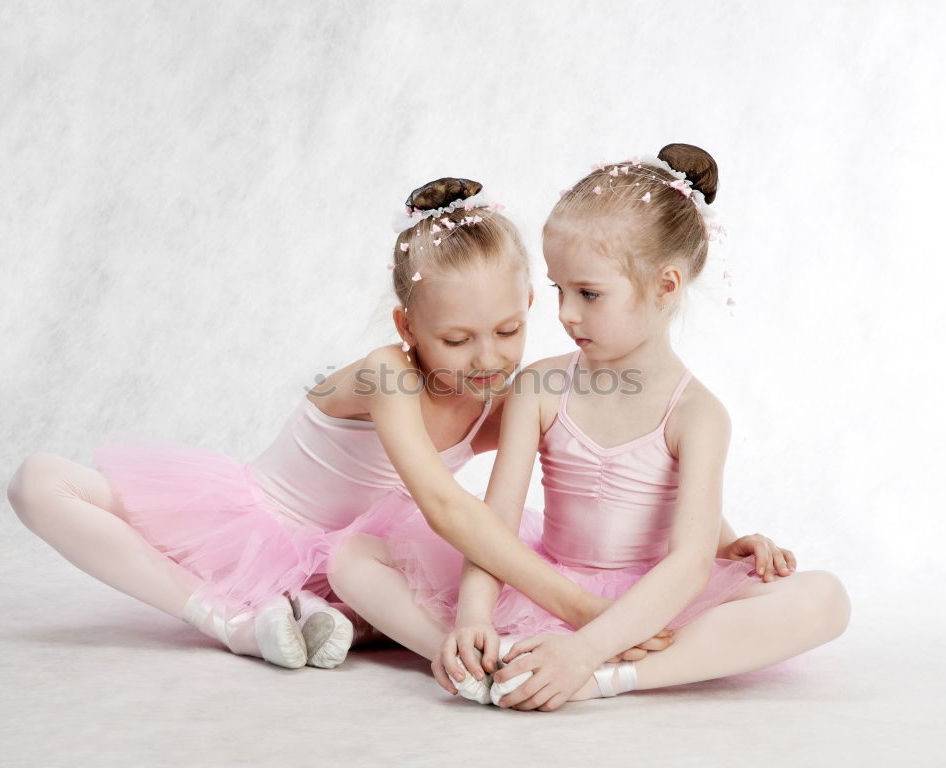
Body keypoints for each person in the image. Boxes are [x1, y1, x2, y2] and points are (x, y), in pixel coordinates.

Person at [328, 146, 849, 710]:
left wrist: (587, 650)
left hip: (652, 599)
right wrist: (473, 615)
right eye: (559, 291)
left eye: (589, 294)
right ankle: (476, 656)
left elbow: (689, 562)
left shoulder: (699, 414)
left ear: (665, 286)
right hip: (551, 583)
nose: (566, 315)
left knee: (827, 598)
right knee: (351, 556)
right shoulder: (540, 387)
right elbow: (493, 524)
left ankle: (602, 675)